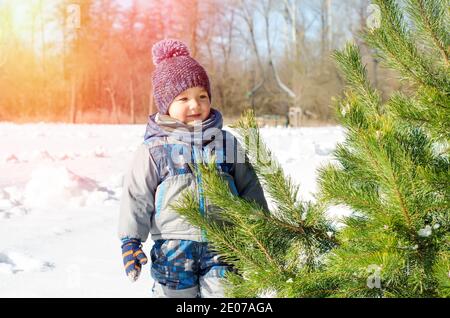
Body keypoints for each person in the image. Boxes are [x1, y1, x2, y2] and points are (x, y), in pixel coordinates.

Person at [118, 39, 268, 298]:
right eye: (183, 98)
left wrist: (262, 231)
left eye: (202, 96)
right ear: (166, 105)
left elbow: (249, 187)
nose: (195, 105)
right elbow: (136, 196)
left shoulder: (225, 142)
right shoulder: (154, 150)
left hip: (224, 245)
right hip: (173, 249)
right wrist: (131, 240)